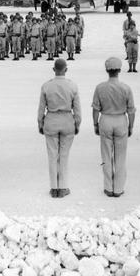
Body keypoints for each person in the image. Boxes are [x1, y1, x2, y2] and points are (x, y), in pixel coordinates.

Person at [92, 57, 135, 197]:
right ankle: (118, 189)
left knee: (106, 155)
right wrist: (131, 126)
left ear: (106, 70)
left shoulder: (100, 87)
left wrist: (95, 123)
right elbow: (131, 110)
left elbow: (95, 109)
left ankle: (108, 187)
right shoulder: (126, 88)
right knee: (120, 157)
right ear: (119, 70)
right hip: (121, 120)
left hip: (105, 119)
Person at [38, 58, 81, 198]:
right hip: (67, 120)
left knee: (52, 156)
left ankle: (54, 188)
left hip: (51, 119)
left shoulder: (46, 86)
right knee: (64, 155)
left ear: (53, 69)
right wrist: (77, 123)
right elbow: (77, 109)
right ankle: (63, 187)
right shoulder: (72, 86)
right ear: (66, 70)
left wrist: (40, 123)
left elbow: (41, 109)